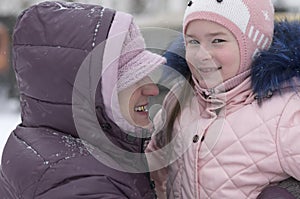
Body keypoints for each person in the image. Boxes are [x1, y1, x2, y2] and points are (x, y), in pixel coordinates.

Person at [0, 1, 166, 198]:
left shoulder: (46, 147)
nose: (153, 89)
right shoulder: (84, 185)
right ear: (87, 93)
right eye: (133, 78)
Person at [146, 0, 300, 198]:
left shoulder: (284, 114)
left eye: (217, 41)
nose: (202, 55)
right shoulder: (179, 99)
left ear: (254, 44)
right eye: (193, 41)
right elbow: (152, 173)